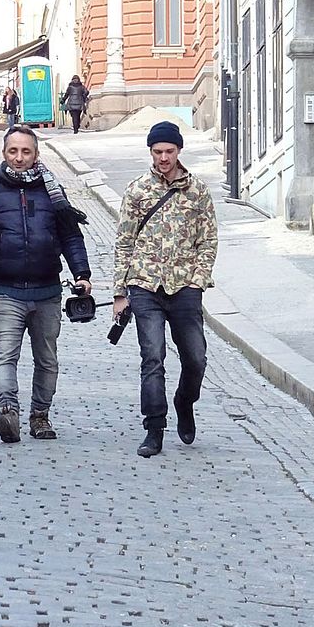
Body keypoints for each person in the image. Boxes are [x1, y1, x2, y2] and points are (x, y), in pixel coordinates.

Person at [0, 125, 91, 443]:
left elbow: (71, 235)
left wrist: (82, 273)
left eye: (25, 151)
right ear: (4, 154)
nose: (19, 158)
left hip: (47, 290)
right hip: (5, 290)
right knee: (4, 355)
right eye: (13, 151)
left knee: (47, 359)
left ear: (36, 154)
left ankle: (40, 416)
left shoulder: (53, 193)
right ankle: (8, 412)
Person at [113, 121, 218, 458]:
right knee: (152, 355)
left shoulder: (197, 191)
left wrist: (198, 279)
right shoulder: (138, 190)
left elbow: (209, 239)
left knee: (196, 358)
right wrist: (120, 292)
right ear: (150, 152)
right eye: (157, 152)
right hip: (145, 285)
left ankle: (184, 401)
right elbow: (124, 241)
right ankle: (154, 427)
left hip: (185, 285)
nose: (163, 158)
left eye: (168, 151)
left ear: (178, 151)